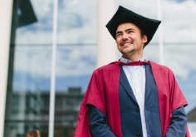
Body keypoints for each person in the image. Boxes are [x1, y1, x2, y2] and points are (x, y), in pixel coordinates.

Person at [74, 5, 190, 137]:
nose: (124, 37)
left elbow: (179, 118)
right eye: (119, 34)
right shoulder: (101, 76)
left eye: (130, 32)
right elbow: (96, 122)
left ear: (144, 38)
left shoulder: (165, 74)